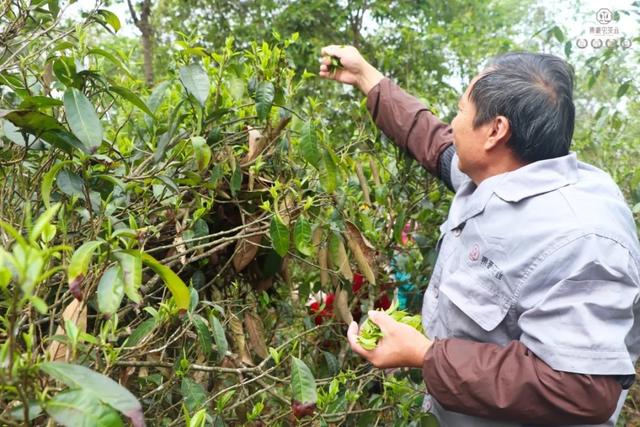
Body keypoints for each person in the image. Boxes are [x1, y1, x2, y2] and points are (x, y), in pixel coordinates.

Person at [319, 45, 640, 426]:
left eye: (459, 111)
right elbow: (433, 142)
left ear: (495, 130)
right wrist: (364, 76)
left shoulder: (582, 239)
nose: (453, 124)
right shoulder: (500, 173)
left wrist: (426, 355)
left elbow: (583, 387)